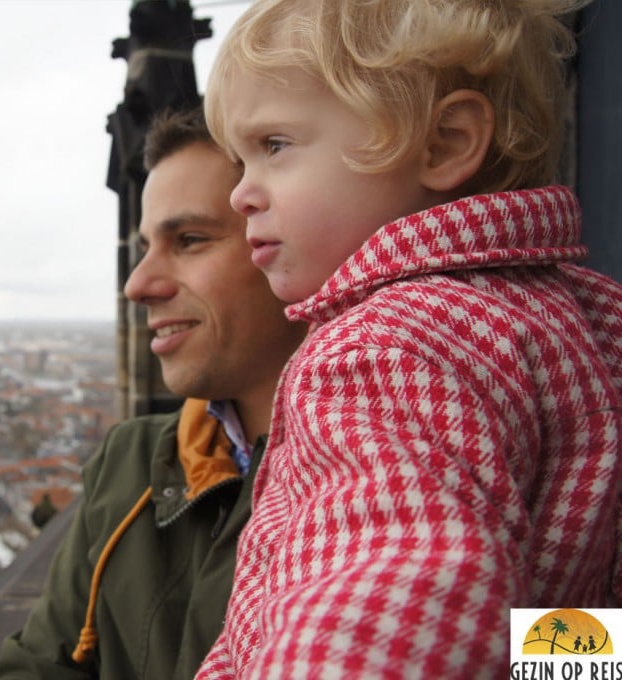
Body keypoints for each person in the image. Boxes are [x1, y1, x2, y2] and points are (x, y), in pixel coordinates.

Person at [194, 1, 622, 678]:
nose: (241, 195)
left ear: (445, 143)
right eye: (240, 161)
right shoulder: (592, 319)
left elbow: (384, 623)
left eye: (273, 146)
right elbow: (582, 623)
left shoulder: (383, 353)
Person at [0, 105, 307, 679]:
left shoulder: (414, 468)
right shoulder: (130, 465)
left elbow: (529, 661)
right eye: (144, 247)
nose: (138, 284)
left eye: (189, 239)